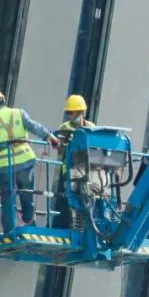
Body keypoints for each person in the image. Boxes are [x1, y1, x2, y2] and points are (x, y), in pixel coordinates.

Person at [0, 88, 60, 232]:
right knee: (27, 193)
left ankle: (10, 230)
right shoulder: (19, 113)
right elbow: (35, 127)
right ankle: (30, 225)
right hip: (25, 162)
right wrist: (51, 138)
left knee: (7, 197)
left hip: (5, 166)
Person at [53, 95, 96, 229]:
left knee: (87, 199)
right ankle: (62, 227)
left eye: (71, 113)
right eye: (68, 113)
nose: (70, 116)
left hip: (86, 170)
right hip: (68, 171)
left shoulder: (91, 127)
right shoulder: (65, 127)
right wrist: (62, 140)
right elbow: (60, 149)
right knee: (64, 200)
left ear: (81, 113)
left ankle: (85, 226)